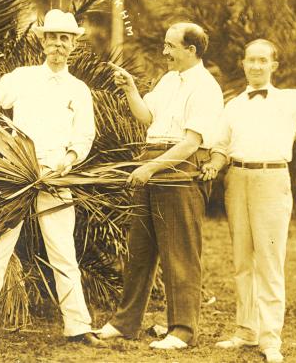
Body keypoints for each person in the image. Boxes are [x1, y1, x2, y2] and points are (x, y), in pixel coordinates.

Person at [200, 26, 296, 363]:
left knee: (269, 262)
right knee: (242, 261)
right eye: (251, 60)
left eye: (262, 61)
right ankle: (246, 330)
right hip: (236, 181)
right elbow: (221, 146)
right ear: (243, 64)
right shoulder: (234, 105)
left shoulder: (289, 100)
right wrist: (213, 165)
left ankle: (270, 339)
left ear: (273, 66)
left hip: (272, 180)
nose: (256, 66)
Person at [0, 9, 104, 348]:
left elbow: (84, 136)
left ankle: (78, 327)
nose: (58, 44)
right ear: (42, 41)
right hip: (18, 176)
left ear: (74, 44)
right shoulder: (23, 78)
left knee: (62, 252)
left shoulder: (79, 89)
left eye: (65, 38)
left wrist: (67, 162)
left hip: (55, 177)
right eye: (53, 37)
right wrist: (2, 134)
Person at [96, 22, 224, 349]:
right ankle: (125, 323)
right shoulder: (168, 80)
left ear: (191, 50)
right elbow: (146, 117)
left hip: (178, 168)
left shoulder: (206, 87)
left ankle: (182, 330)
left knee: (179, 251)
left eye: (170, 46)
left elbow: (191, 143)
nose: (164, 52)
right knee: (140, 249)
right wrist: (129, 90)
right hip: (151, 162)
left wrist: (151, 168)